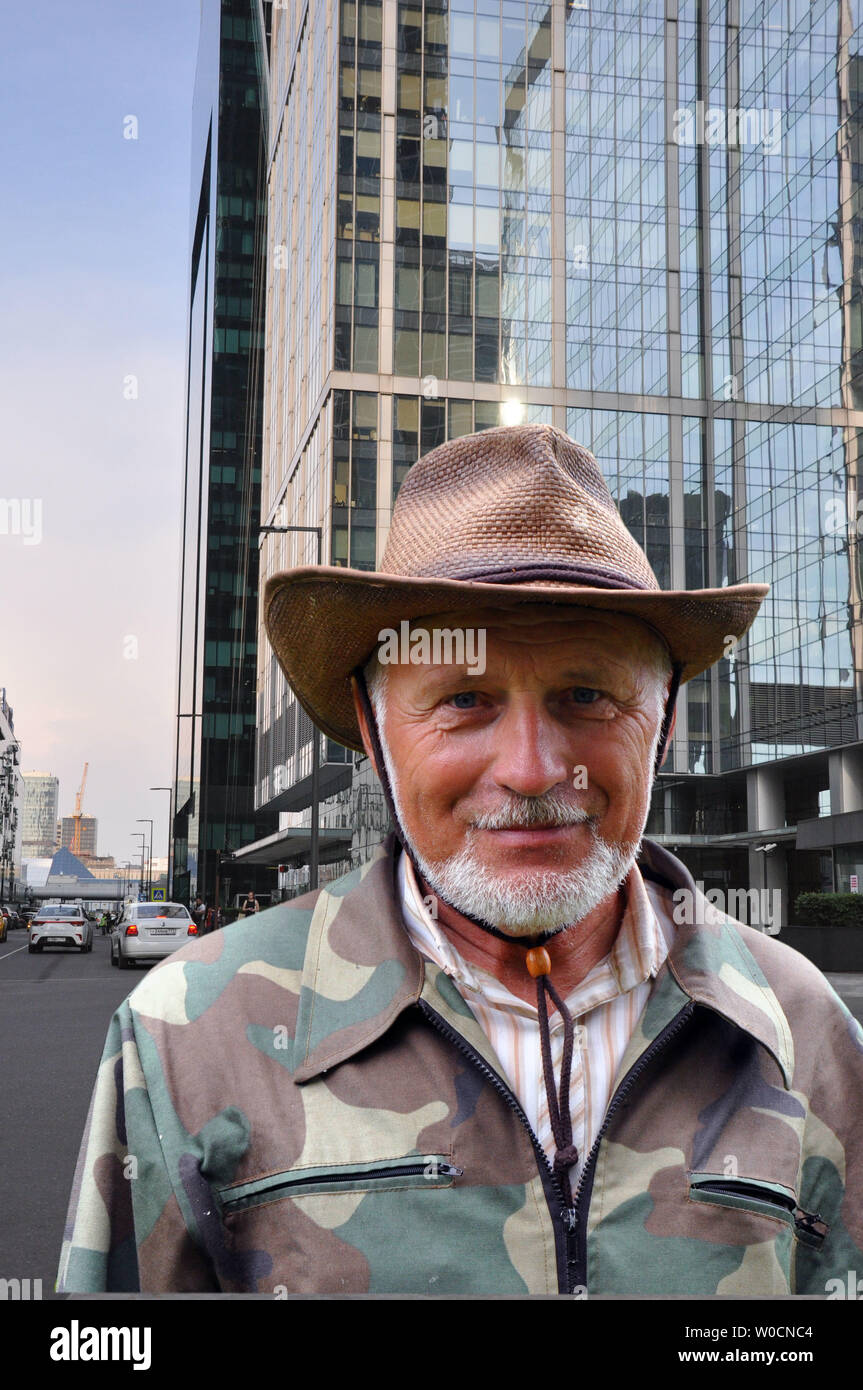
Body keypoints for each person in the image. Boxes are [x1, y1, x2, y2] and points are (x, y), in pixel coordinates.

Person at [57, 425, 863, 1295]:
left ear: (661, 727)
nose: (529, 770)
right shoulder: (184, 1035)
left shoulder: (797, 1025)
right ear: (374, 732)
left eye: (586, 695)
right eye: (464, 700)